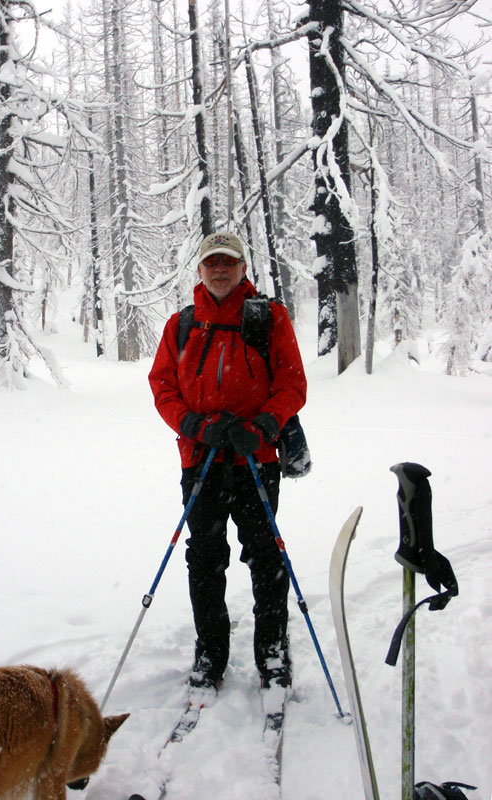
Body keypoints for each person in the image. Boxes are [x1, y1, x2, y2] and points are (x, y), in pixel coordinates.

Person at [148, 231, 307, 694]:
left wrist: (261, 425)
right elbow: (162, 387)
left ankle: (273, 652)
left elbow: (293, 385)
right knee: (204, 557)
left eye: (229, 262)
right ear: (199, 270)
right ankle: (210, 652)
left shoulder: (268, 317)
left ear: (242, 268)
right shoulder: (181, 324)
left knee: (265, 558)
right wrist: (194, 425)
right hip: (201, 459)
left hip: (255, 458)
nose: (220, 269)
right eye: (212, 262)